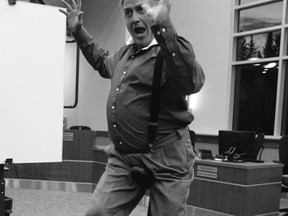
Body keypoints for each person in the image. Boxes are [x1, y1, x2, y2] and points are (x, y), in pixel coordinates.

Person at [60, 0, 205, 215]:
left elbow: (192, 81)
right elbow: (101, 61)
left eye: (141, 9)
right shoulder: (125, 54)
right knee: (98, 212)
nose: (134, 18)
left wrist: (164, 26)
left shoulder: (169, 52)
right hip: (125, 156)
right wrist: (78, 30)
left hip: (167, 157)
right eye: (128, 13)